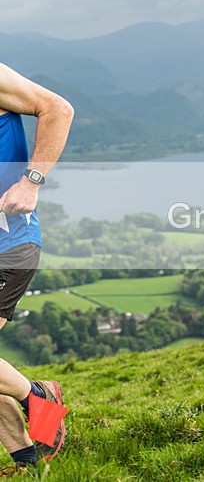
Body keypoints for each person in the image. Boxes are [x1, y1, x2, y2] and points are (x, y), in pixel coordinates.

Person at [0, 62, 72, 472]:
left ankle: (38, 397)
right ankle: (27, 461)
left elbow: (58, 109)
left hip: (9, 242)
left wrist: (31, 182)